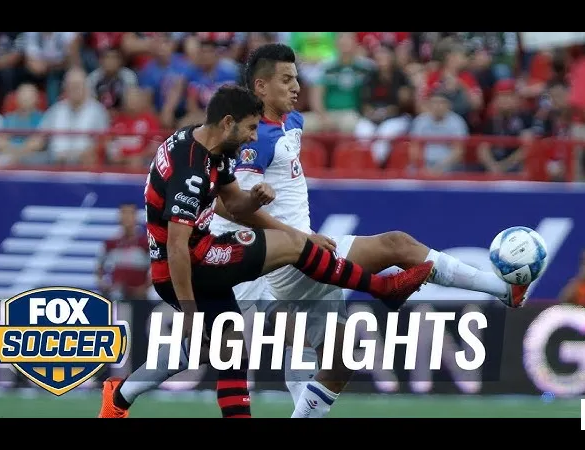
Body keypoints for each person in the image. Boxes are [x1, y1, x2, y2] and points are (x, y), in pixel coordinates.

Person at [99, 45, 532, 419]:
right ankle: (496, 288)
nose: (296, 87)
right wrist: (297, 239)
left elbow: (233, 198)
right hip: (266, 257)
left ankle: (120, 395)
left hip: (289, 249)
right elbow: (235, 210)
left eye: (297, 78)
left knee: (335, 358)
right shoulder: (251, 140)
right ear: (260, 88)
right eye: (286, 79)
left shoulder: (291, 122)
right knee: (395, 246)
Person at [97, 84, 435, 419]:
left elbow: (235, 204)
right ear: (228, 122)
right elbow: (175, 247)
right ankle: (382, 287)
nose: (253, 137)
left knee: (229, 350)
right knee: (290, 251)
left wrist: (254, 199)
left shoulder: (209, 144)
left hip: (200, 253)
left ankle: (119, 397)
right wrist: (189, 311)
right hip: (184, 267)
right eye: (250, 128)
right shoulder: (191, 170)